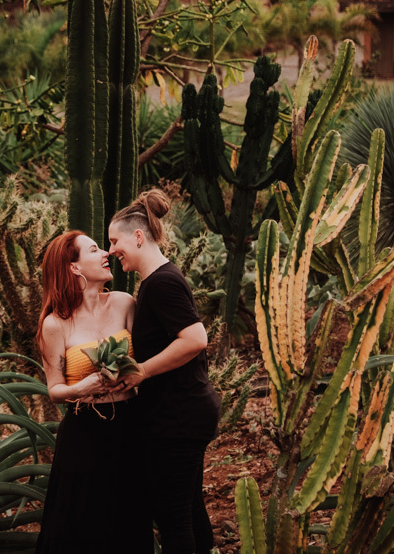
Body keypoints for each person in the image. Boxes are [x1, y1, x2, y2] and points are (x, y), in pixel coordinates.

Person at [108, 189, 220, 554]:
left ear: (138, 236)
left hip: (179, 416)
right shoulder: (157, 280)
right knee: (187, 510)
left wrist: (141, 371)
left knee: (173, 517)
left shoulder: (162, 282)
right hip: (182, 412)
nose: (110, 250)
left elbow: (195, 339)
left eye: (114, 241)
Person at [35, 230, 152, 554]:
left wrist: (134, 374)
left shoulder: (125, 303)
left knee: (129, 522)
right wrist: (81, 387)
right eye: (95, 249)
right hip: (83, 432)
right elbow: (54, 389)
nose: (107, 253)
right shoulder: (56, 324)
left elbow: (147, 358)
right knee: (80, 526)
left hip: (130, 427)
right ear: (74, 267)